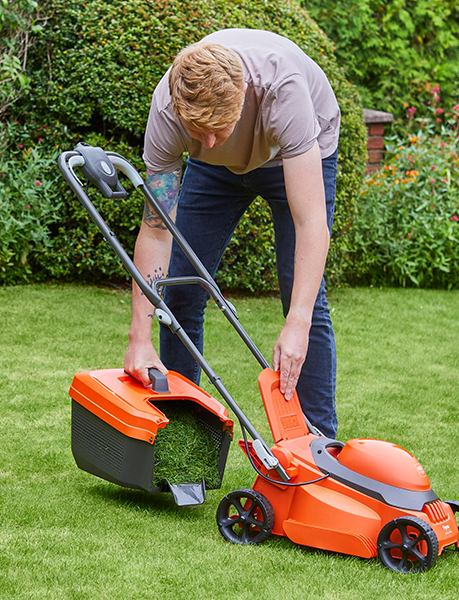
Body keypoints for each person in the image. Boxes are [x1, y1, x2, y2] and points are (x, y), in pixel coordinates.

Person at [123, 28, 341, 437]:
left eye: (217, 129)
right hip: (216, 174)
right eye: (195, 131)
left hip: (293, 154)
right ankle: (183, 432)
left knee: (304, 299)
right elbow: (156, 231)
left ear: (242, 95)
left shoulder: (282, 90)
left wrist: (297, 323)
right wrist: (139, 336)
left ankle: (320, 448)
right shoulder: (169, 109)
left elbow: (311, 221)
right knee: (182, 288)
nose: (206, 141)